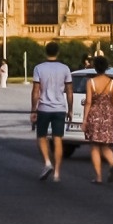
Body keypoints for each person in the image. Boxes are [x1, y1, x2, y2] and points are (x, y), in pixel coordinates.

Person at [30, 41, 72, 182]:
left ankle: (47, 162)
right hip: (60, 108)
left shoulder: (39, 68)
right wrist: (70, 109)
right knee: (58, 138)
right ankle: (57, 173)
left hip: (44, 108)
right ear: (58, 52)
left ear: (45, 52)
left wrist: (33, 109)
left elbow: (36, 91)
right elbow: (69, 91)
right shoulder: (65, 69)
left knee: (41, 136)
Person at [81, 56, 113, 187]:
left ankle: (98, 177)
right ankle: (112, 164)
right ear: (106, 67)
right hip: (108, 115)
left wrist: (84, 120)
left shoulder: (91, 82)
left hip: (95, 115)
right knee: (105, 146)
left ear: (95, 67)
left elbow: (88, 102)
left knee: (94, 147)